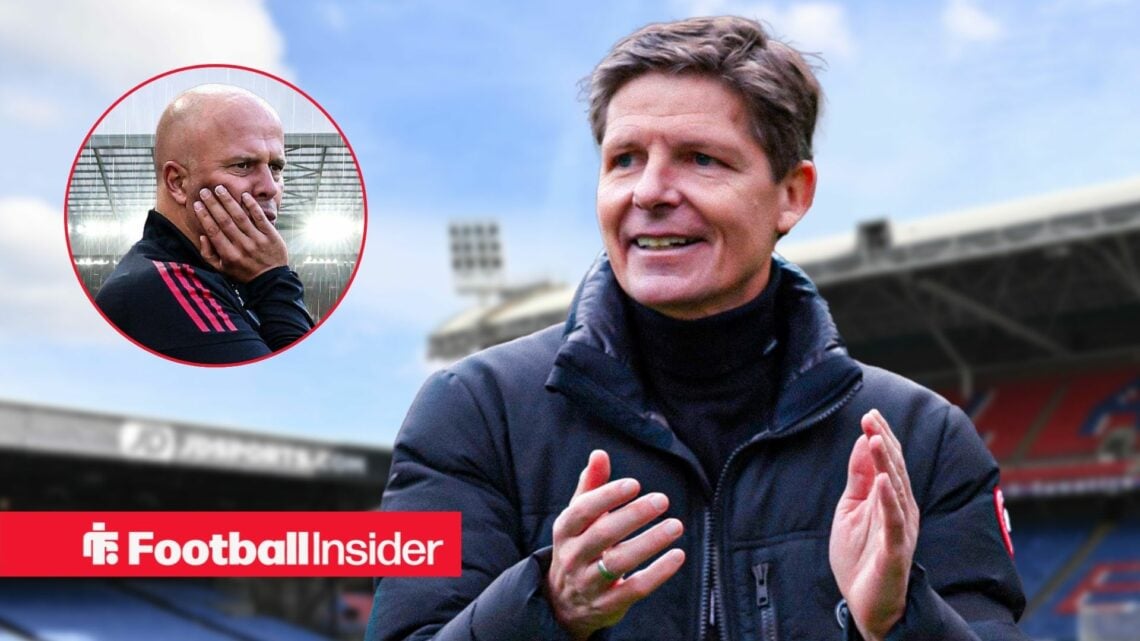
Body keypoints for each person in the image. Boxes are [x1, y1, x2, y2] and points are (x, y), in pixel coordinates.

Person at [367, 16, 1027, 641]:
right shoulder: (475, 414)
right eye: (624, 158)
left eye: (700, 158)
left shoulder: (923, 440)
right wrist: (549, 605)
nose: (649, 191)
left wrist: (899, 620)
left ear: (792, 194)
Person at [94, 84, 314, 365]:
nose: (270, 187)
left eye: (276, 167)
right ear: (178, 183)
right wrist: (274, 280)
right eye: (243, 165)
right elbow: (297, 392)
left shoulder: (223, 275)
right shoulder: (161, 289)